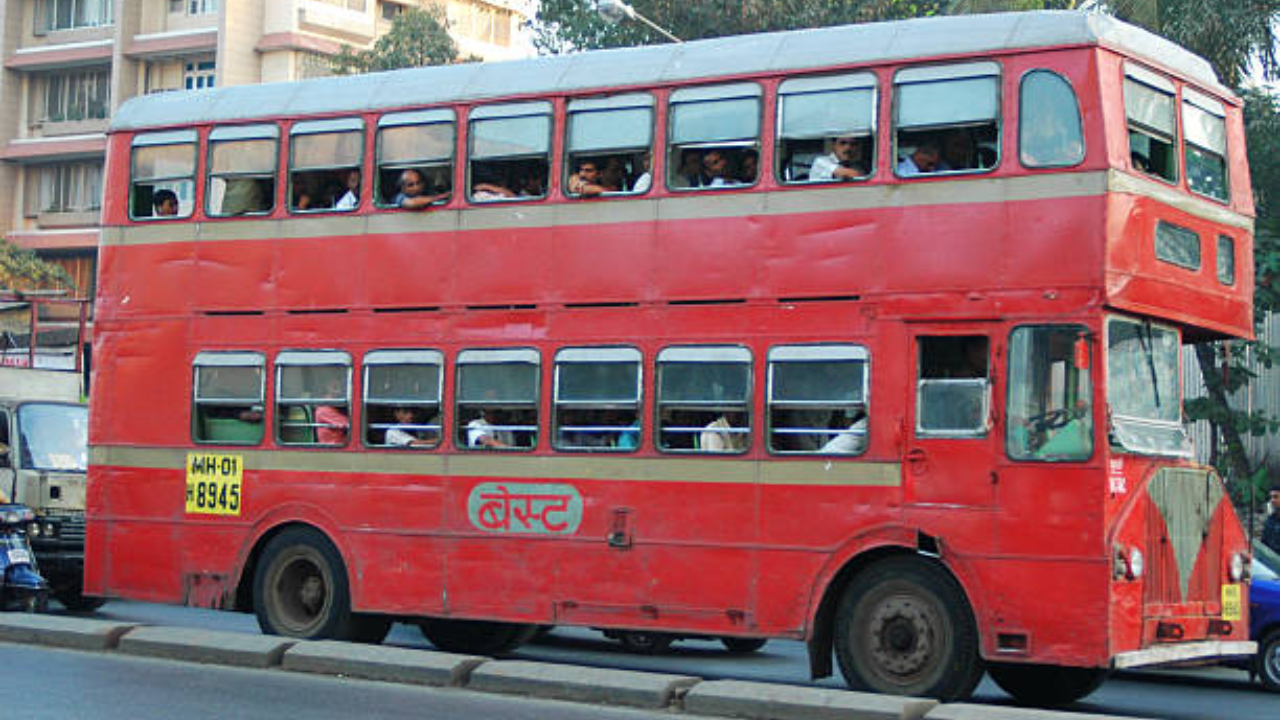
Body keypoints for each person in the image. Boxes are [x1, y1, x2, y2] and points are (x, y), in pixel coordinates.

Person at [315, 378, 349, 445]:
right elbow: (348, 424)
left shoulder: (333, 406)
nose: (339, 392)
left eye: (340, 388)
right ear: (327, 389)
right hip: (333, 447)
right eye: (335, 388)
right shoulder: (324, 409)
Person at [1263, 485, 1280, 555]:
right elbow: (1264, 543)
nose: (1272, 500)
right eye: (1271, 497)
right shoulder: (1270, 520)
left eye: (1276, 497)